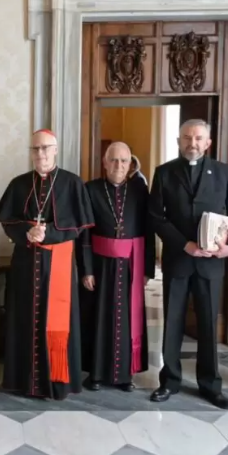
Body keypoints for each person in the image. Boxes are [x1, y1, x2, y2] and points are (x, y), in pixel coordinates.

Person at [148, 119, 228, 410]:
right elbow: (156, 217)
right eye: (187, 138)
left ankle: (210, 386)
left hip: (212, 264)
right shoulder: (164, 172)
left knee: (207, 325)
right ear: (179, 141)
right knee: (173, 322)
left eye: (198, 138)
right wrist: (185, 244)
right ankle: (169, 381)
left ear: (208, 143)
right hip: (178, 259)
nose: (192, 143)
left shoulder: (225, 173)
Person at [0, 129, 94, 400]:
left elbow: (77, 227)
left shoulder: (72, 183)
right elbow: (7, 221)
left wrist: (48, 234)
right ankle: (21, 381)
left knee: (57, 321)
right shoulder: (19, 183)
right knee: (23, 318)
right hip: (26, 262)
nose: (40, 153)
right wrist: (26, 231)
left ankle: (57, 382)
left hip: (58, 262)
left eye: (45, 148)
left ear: (56, 149)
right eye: (35, 148)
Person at [79, 142, 156, 392]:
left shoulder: (139, 191)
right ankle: (97, 374)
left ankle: (125, 375)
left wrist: (147, 270)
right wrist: (87, 269)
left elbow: (148, 230)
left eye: (124, 161)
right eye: (114, 160)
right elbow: (84, 234)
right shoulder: (90, 189)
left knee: (126, 320)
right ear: (104, 162)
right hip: (100, 265)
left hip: (130, 265)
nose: (119, 166)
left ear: (130, 164)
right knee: (98, 318)